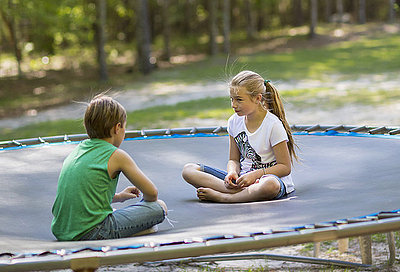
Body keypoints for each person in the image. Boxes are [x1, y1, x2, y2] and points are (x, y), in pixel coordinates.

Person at [52, 95, 167, 240]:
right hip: (94, 232)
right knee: (160, 207)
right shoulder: (117, 155)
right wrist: (143, 208)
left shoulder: (78, 151)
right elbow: (152, 193)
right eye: (124, 127)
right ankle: (133, 231)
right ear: (117, 128)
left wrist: (119, 197)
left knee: (114, 212)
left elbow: (83, 196)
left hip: (63, 231)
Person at [182, 70, 297, 203]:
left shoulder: (273, 125)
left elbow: (284, 167)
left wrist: (255, 175)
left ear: (257, 98)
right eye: (231, 99)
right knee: (188, 170)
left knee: (270, 186)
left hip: (268, 179)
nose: (233, 105)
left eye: (239, 100)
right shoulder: (234, 121)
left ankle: (225, 197)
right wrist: (232, 172)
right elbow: (233, 159)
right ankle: (241, 193)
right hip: (242, 179)